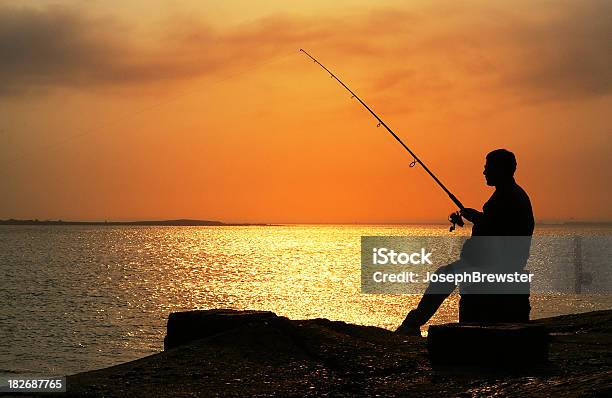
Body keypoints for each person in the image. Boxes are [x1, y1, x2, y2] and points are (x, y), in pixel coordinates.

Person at [395, 149, 534, 335]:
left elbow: (496, 231)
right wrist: (477, 218)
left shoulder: (507, 197)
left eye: (488, 168)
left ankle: (411, 324)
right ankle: (413, 322)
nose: (484, 172)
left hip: (497, 268)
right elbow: (498, 226)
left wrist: (478, 219)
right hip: (500, 264)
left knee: (444, 276)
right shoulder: (511, 195)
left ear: (500, 169)